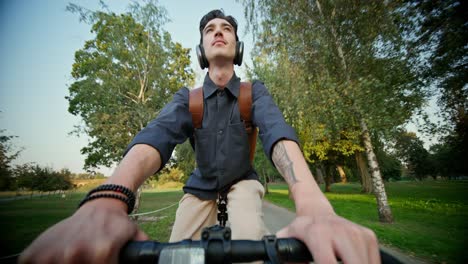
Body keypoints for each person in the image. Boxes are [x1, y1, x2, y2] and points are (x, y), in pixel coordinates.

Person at [19, 9, 380, 264]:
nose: (218, 31)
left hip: (242, 183)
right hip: (198, 186)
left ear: (236, 48)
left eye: (226, 28)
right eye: (210, 30)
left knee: (249, 244)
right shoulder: (186, 99)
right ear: (201, 50)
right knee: (177, 255)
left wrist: (314, 207)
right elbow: (155, 137)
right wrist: (107, 200)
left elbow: (278, 135)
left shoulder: (255, 92)